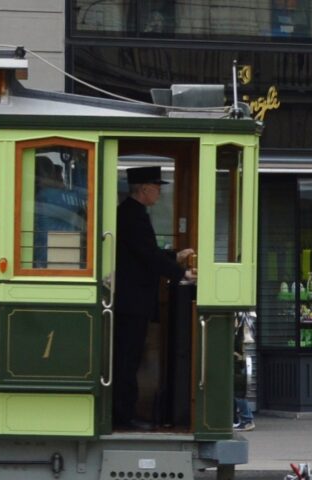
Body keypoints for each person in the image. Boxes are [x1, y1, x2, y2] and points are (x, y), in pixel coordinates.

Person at [113, 166, 195, 430]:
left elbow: (146, 252)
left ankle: (124, 414)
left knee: (129, 359)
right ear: (145, 189)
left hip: (132, 302)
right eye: (157, 187)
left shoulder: (132, 214)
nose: (159, 192)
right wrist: (182, 272)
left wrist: (174, 258)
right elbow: (147, 256)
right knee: (127, 360)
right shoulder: (132, 216)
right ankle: (122, 417)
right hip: (131, 303)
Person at [233, 312, 256, 432]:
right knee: (236, 392)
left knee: (238, 392)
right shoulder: (244, 319)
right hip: (238, 359)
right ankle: (237, 419)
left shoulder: (240, 320)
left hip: (236, 360)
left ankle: (247, 420)